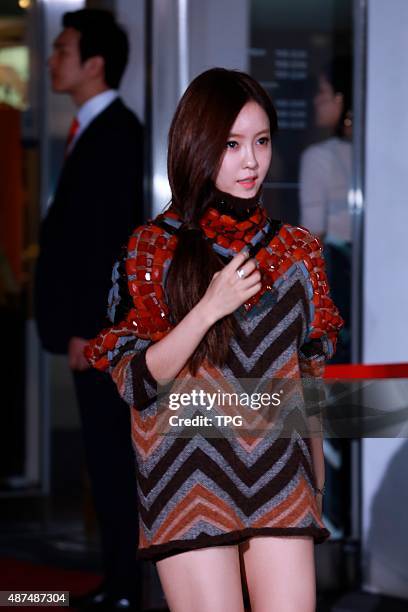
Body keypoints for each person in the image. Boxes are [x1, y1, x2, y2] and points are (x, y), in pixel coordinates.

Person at [86, 68, 343, 612]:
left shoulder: (299, 252)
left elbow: (309, 377)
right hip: (187, 475)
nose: (250, 160)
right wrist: (208, 309)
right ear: (198, 145)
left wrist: (315, 480)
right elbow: (136, 379)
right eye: (231, 144)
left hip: (282, 476)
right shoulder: (152, 249)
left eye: (261, 141)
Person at [34, 9, 143, 610]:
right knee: (102, 460)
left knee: (110, 459)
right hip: (91, 331)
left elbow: (107, 244)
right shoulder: (93, 130)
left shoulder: (116, 133)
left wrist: (89, 330)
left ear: (94, 63)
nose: (52, 59)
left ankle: (126, 586)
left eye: (63, 48)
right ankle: (118, 583)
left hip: (101, 334)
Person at [299, 57, 352, 363]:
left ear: (340, 98)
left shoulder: (318, 157)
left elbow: (313, 236)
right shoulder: (371, 152)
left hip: (334, 287)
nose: (316, 100)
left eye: (322, 91)